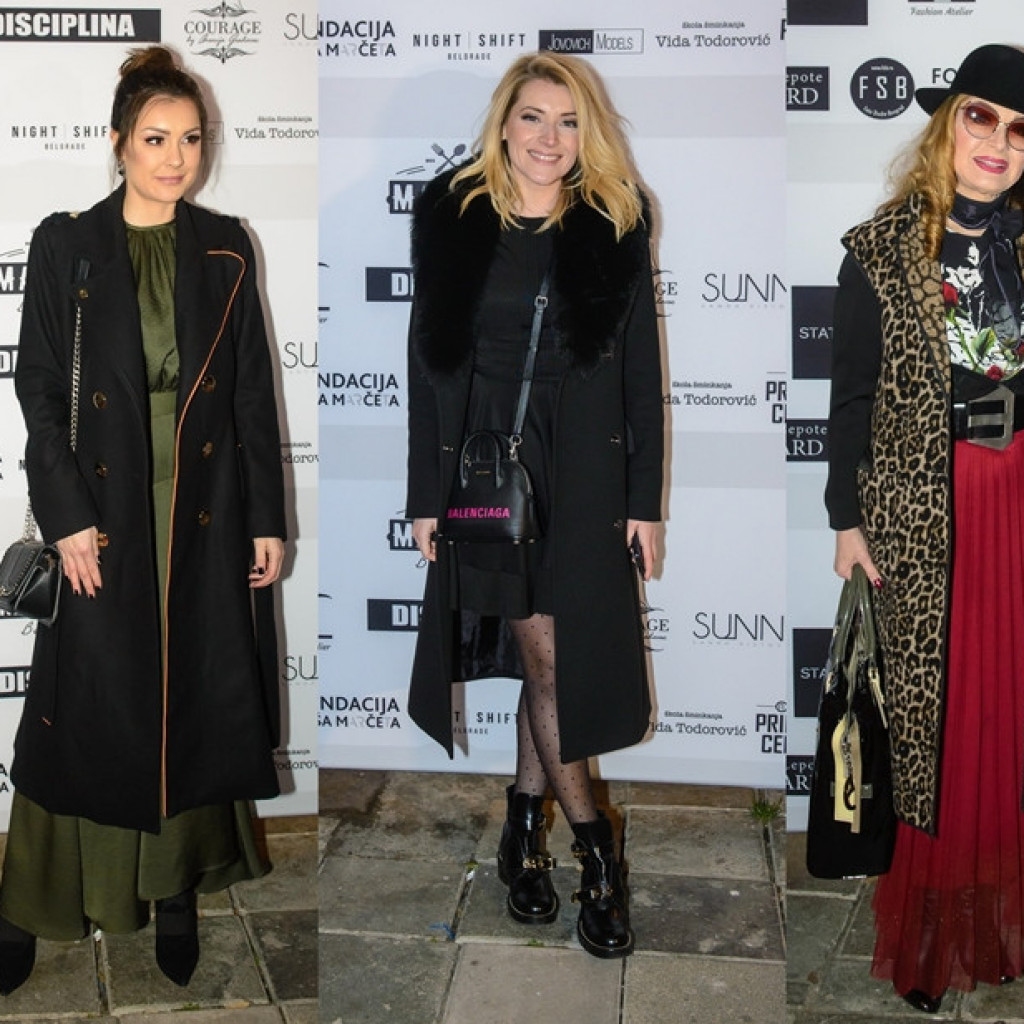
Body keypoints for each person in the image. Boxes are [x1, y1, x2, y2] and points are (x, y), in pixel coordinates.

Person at [0, 46, 286, 993]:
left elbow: (251, 394)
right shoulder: (68, 244)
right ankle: (31, 900)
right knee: (83, 705)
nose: (175, 158)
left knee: (192, 697)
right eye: (156, 138)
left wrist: (266, 517)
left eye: (190, 139)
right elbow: (39, 389)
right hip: (105, 510)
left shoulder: (227, 244)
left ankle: (174, 892)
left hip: (201, 510)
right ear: (119, 141)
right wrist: (67, 515)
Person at [405, 52, 663, 959]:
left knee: (549, 658)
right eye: (532, 117)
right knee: (542, 651)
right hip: (487, 464)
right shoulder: (451, 212)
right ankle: (597, 850)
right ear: (503, 123)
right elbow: (426, 360)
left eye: (568, 121)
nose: (549, 138)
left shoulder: (617, 217)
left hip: (585, 469)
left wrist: (643, 500)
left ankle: (523, 825)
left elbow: (640, 367)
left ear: (586, 132)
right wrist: (424, 495)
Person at [826, 43, 1024, 1013]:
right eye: (982, 117)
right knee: (931, 728)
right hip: (924, 517)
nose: (999, 142)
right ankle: (929, 944)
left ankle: (999, 928)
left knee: (1008, 715)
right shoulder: (879, 251)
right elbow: (850, 399)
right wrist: (844, 519)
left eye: (1020, 130)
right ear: (948, 126)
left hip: (1017, 502)